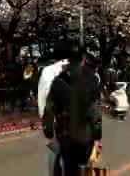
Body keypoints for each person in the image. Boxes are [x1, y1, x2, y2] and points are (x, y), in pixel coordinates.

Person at [42, 44, 102, 176]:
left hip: (65, 135)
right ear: (83, 59)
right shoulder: (92, 80)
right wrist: (98, 137)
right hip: (86, 135)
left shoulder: (58, 82)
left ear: (69, 59)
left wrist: (48, 134)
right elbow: (95, 112)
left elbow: (49, 110)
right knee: (89, 166)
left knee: (69, 167)